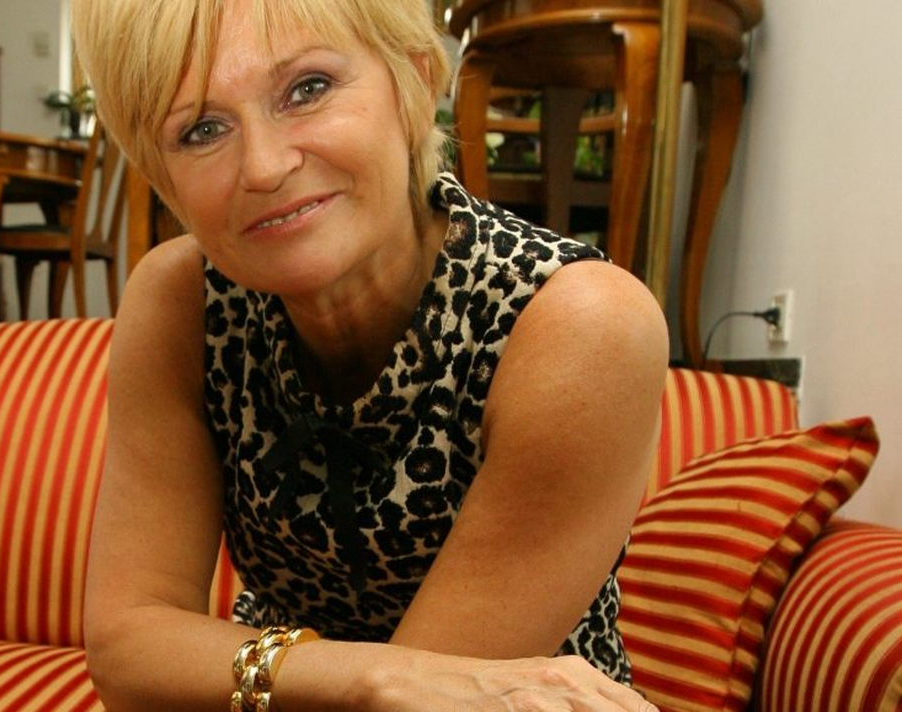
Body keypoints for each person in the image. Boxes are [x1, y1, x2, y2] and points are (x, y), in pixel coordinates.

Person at [73, 0, 668, 709]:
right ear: (163, 176)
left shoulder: (576, 323)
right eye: (202, 129)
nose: (264, 166)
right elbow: (126, 645)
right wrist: (374, 677)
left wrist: (234, 669)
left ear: (414, 85)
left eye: (308, 88)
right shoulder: (184, 303)